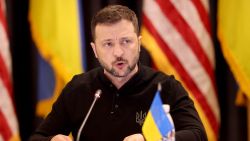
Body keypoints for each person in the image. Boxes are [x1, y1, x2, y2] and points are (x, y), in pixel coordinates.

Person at [29, 5, 207, 141]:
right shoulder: (79, 89)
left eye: (126, 41)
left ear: (138, 43)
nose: (118, 53)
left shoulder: (163, 87)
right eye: (108, 44)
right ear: (94, 50)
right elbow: (38, 138)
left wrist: (155, 139)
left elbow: (197, 134)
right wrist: (53, 140)